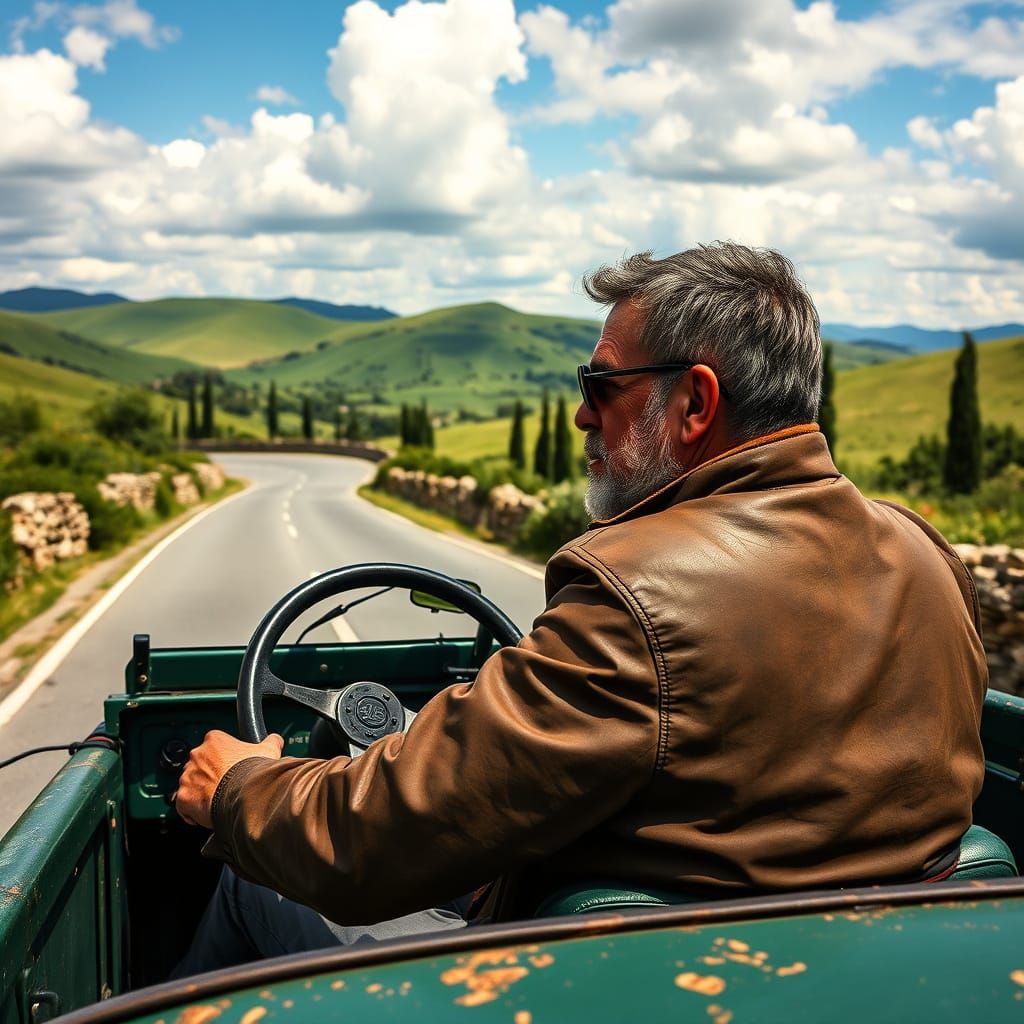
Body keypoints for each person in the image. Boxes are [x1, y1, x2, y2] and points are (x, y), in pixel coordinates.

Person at [173, 242, 987, 972]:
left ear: (695, 403)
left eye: (601, 384)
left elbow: (369, 842)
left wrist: (244, 788)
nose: (581, 413)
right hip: (871, 972)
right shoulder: (924, 555)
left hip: (626, 984)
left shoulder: (637, 597)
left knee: (260, 891)